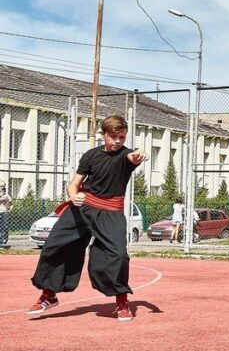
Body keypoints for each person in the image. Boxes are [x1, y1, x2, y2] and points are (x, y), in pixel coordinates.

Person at [27, 115, 147, 321]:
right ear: (103, 134)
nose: (118, 141)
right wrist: (74, 196)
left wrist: (138, 155)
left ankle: (121, 301)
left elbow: (133, 157)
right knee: (54, 246)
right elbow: (74, 184)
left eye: (122, 137)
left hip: (110, 212)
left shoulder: (126, 156)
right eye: (113, 136)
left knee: (118, 255)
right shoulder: (91, 155)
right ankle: (49, 295)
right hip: (82, 209)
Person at [0, 182, 13, 248]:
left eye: (3, 186)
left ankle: (3, 241)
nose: (1, 187)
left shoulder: (6, 195)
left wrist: (9, 210)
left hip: (4, 212)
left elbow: (11, 203)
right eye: (0, 186)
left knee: (4, 227)